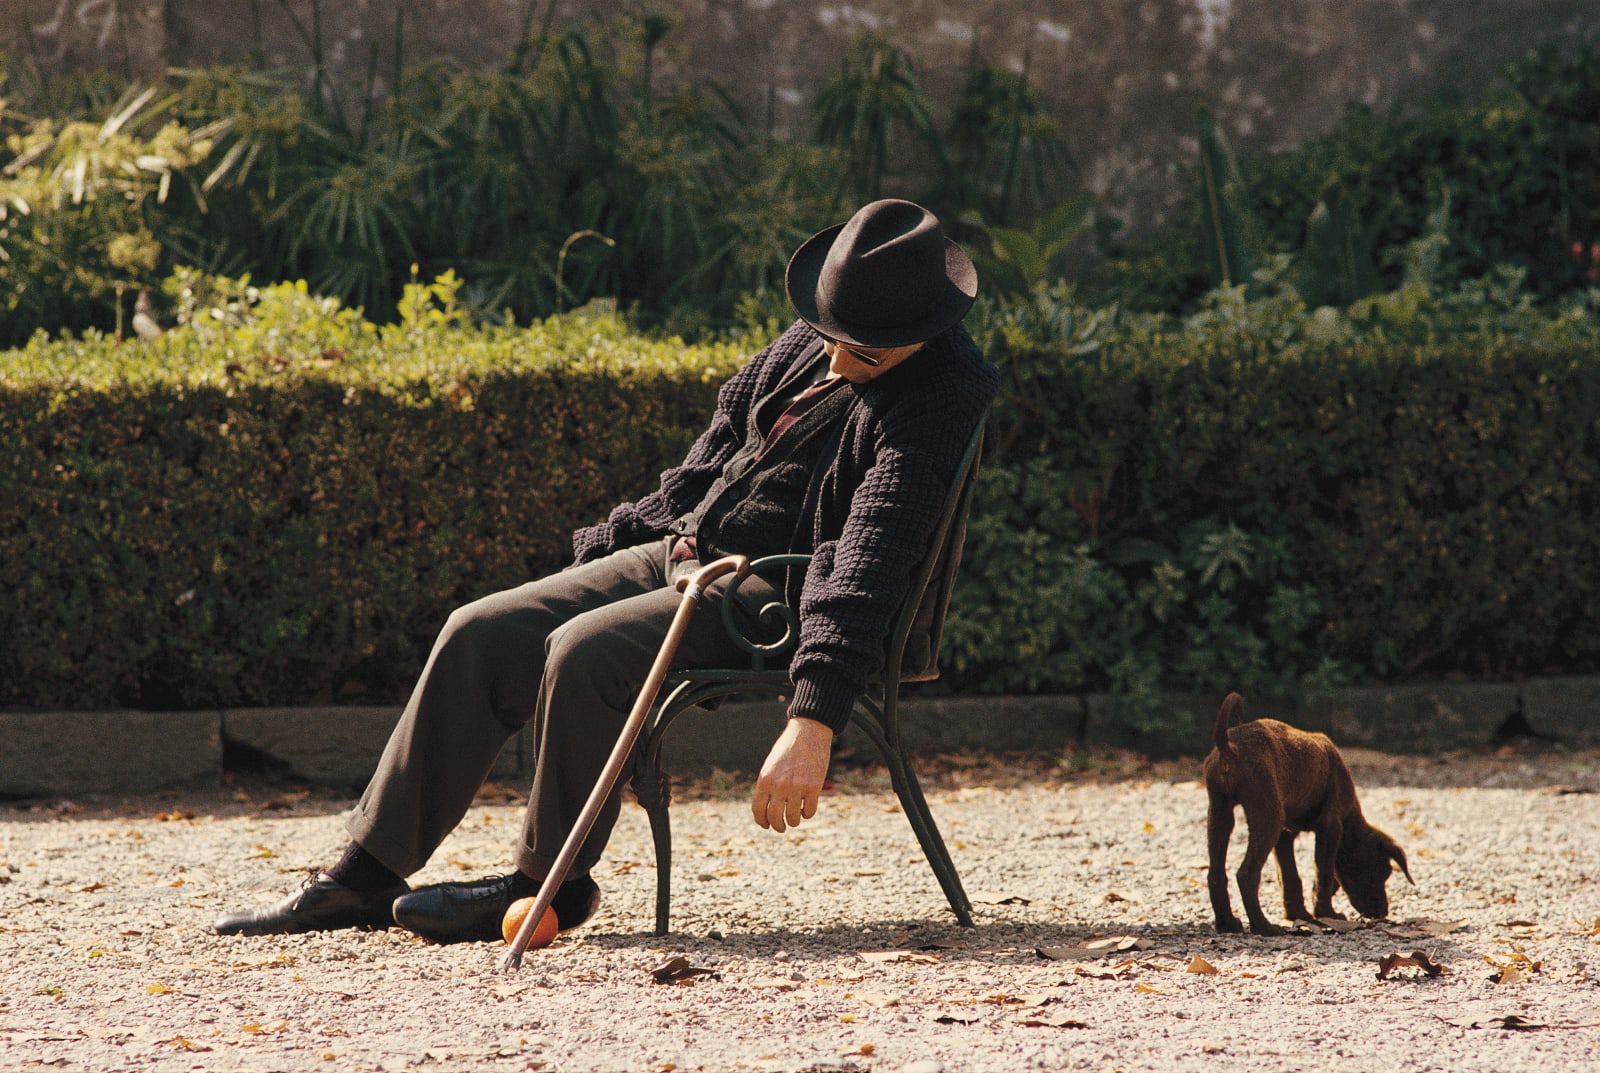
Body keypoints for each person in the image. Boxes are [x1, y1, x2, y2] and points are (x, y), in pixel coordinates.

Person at [214, 198, 1000, 942]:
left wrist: (814, 717)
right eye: (827, 333)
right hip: (689, 550)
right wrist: (626, 542)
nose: (834, 358)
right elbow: (712, 456)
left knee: (584, 650)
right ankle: (363, 874)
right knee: (481, 631)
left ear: (922, 329)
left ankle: (547, 886)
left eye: (863, 352)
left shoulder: (939, 394)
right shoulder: (825, 338)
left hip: (783, 592)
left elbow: (870, 555)